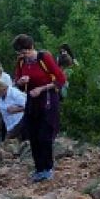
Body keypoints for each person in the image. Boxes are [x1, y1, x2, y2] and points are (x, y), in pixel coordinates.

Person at [13, 34, 67, 182]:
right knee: (33, 135)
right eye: (20, 53)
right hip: (32, 101)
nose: (23, 56)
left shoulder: (44, 58)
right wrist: (21, 81)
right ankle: (39, 169)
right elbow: (16, 80)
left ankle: (48, 168)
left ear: (31, 48)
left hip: (48, 99)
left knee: (45, 135)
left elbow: (61, 79)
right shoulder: (21, 62)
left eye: (25, 52)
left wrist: (42, 89)